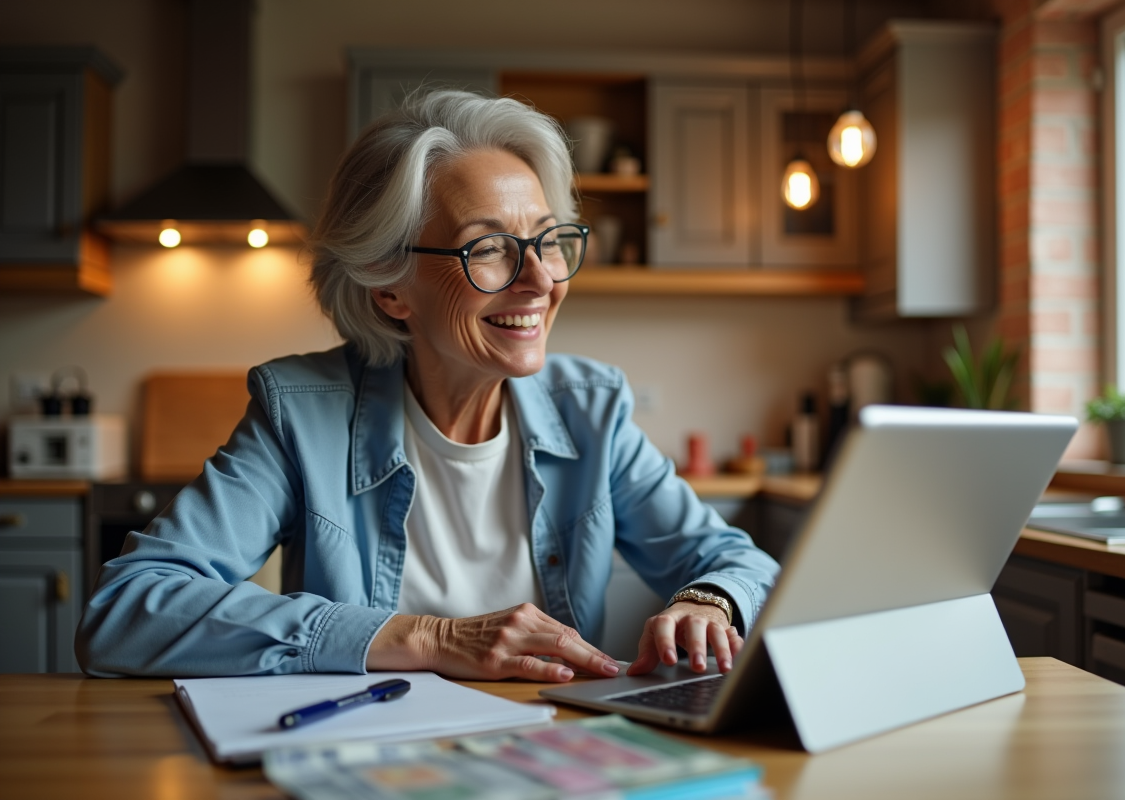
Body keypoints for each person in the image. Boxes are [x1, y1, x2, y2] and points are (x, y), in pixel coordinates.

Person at [76, 90, 779, 682]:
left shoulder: (589, 410)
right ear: (391, 292)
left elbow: (737, 562)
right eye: (489, 248)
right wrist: (431, 641)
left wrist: (710, 600)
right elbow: (126, 610)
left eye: (549, 239)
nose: (541, 280)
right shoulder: (300, 413)